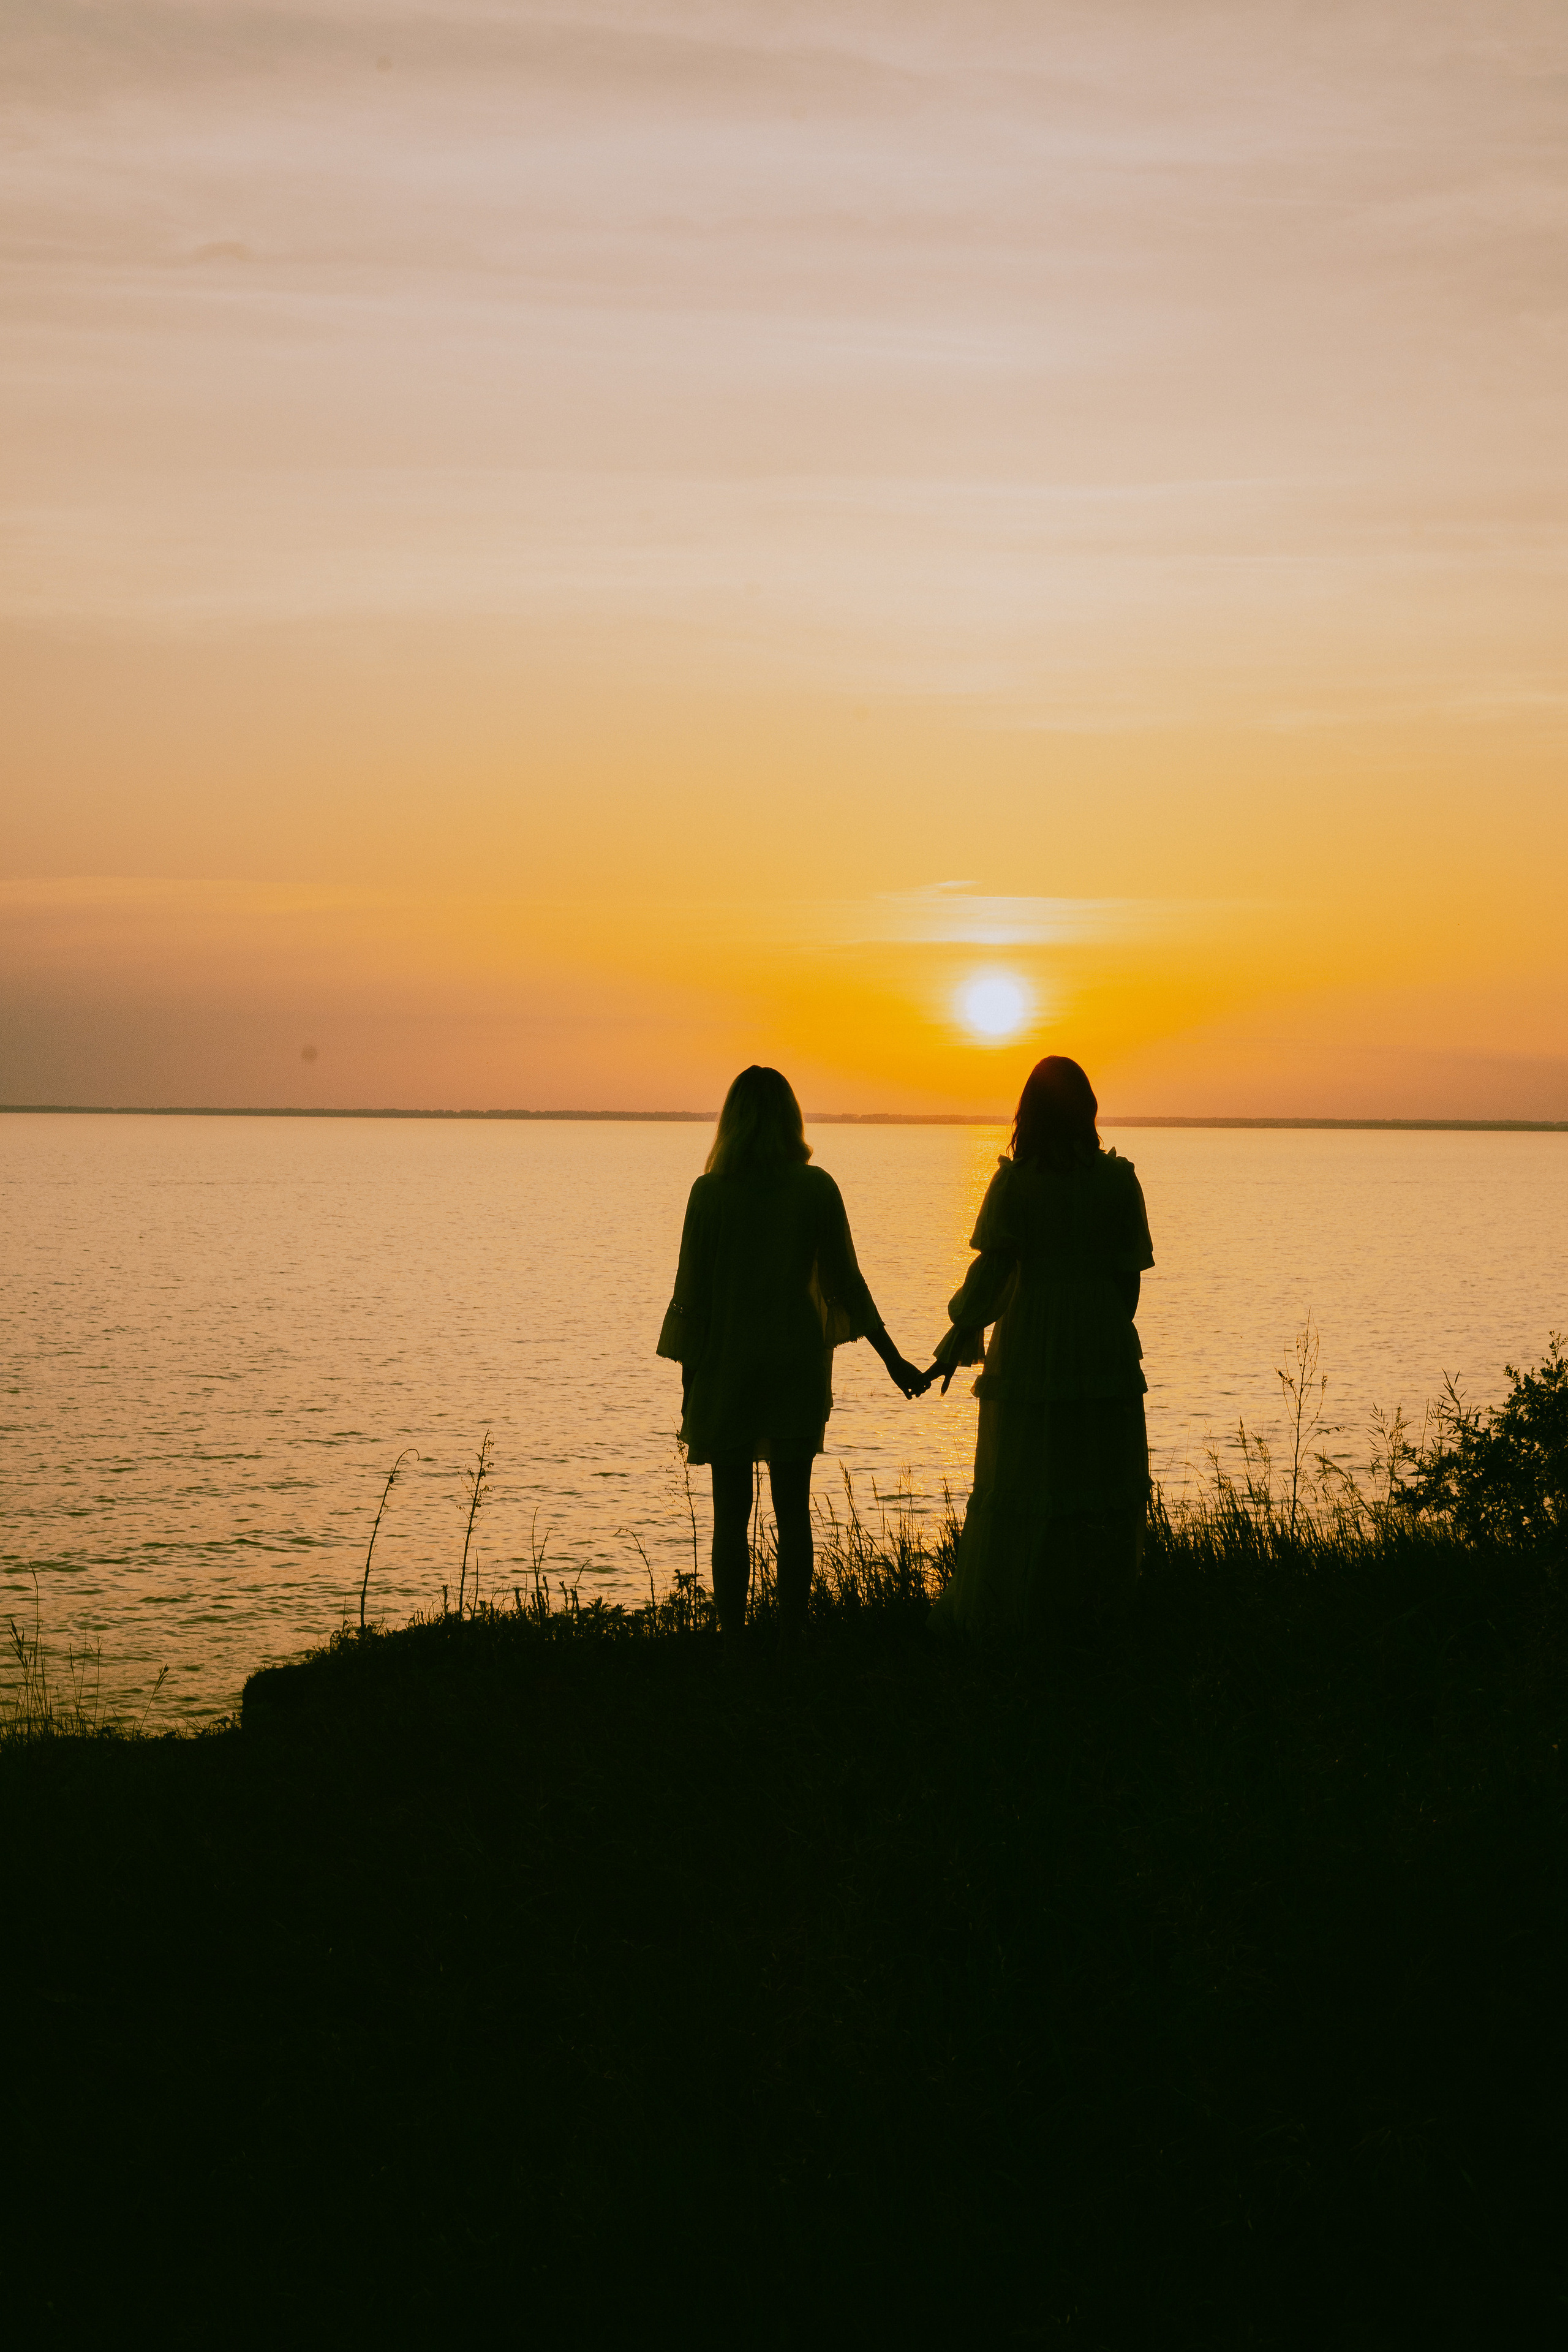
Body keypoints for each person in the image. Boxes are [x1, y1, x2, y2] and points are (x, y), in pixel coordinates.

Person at [657, 1066, 929, 1646]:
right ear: (790, 1118)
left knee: (730, 1518)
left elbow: (693, 1301)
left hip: (727, 1367)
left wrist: (690, 1385)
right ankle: (790, 1641)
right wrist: (893, 1359)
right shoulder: (815, 1188)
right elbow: (847, 1286)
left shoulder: (710, 1194)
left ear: (731, 1121)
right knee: (793, 1513)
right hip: (794, 1367)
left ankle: (732, 1644)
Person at [928, 1055, 1154, 1639]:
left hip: (1031, 1338)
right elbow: (1128, 1278)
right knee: (1097, 1471)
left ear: (1028, 1113)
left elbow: (992, 1277)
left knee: (1028, 1474)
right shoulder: (1118, 1181)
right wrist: (1101, 1323)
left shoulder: (1016, 1183)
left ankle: (1019, 1612)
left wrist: (961, 1329)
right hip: (1102, 1337)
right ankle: (1099, 1613)